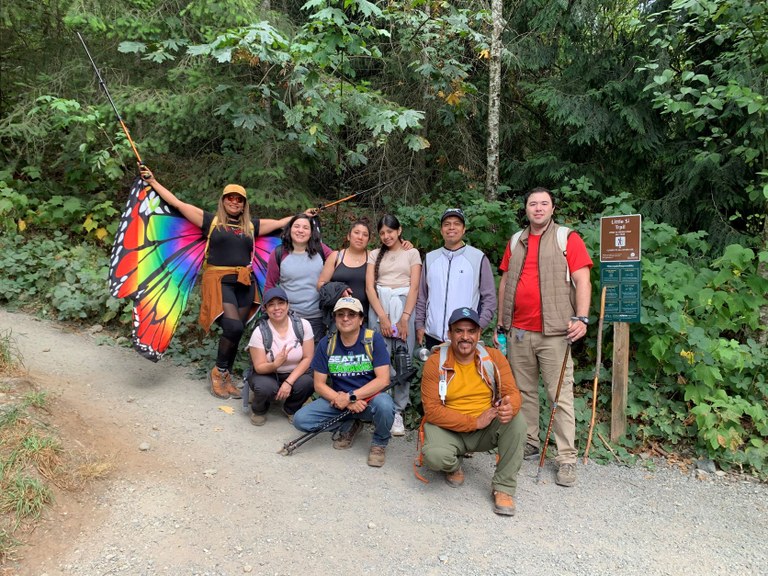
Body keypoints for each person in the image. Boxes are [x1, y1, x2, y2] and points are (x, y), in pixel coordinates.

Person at [139, 166, 315, 399]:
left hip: (244, 282)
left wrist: (304, 216)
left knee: (237, 331)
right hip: (218, 281)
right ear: (223, 201)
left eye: (239, 199)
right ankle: (218, 371)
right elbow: (179, 204)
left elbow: (284, 222)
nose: (234, 202)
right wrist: (153, 181)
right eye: (230, 198)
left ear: (243, 204)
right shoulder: (210, 222)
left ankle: (226, 375)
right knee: (232, 326)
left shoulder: (251, 226)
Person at [497, 187, 593, 487]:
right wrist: (502, 323)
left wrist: (582, 317)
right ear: (525, 209)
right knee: (523, 392)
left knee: (559, 396)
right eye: (532, 204)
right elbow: (505, 283)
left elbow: (582, 279)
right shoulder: (516, 240)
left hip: (554, 332)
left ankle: (566, 458)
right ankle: (529, 441)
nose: (538, 208)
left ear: (552, 209)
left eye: (544, 204)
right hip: (519, 331)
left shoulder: (567, 238)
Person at [420, 307, 525, 516]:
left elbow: (512, 392)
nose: (465, 337)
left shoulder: (493, 357)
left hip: (485, 428)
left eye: (471, 331)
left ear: (478, 334)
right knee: (435, 456)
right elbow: (431, 411)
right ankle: (453, 465)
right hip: (450, 429)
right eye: (459, 331)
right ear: (450, 334)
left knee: (517, 421)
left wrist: (509, 406)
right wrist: (474, 423)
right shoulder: (436, 362)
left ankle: (503, 487)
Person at [292, 297, 395, 467]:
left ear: (361, 319)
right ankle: (348, 423)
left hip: (369, 401)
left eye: (351, 314)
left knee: (385, 405)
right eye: (340, 314)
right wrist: (346, 402)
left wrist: (351, 397)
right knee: (301, 420)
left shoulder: (372, 339)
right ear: (335, 319)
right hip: (339, 402)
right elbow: (319, 384)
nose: (345, 318)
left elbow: (383, 380)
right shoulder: (327, 343)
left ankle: (379, 443)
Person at [365, 214, 422, 436]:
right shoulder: (374, 254)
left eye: (390, 231)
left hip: (404, 306)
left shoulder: (412, 253)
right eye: (382, 233)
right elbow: (370, 287)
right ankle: (383, 406)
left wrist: (404, 318)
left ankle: (398, 411)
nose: (386, 236)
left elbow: (415, 287)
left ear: (399, 231)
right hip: (379, 307)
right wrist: (383, 318)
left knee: (403, 360)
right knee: (379, 358)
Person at [415, 208, 496, 349]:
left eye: (457, 223)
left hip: (465, 337)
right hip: (432, 337)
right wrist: (419, 325)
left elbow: (489, 298)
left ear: (464, 229)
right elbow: (422, 296)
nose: (451, 227)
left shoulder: (478, 258)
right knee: (433, 372)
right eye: (447, 224)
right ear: (441, 230)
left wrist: (479, 326)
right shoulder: (430, 258)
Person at [246, 287, 315, 426]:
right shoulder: (260, 332)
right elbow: (259, 367)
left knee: (309, 382)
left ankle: (291, 408)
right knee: (264, 387)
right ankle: (259, 409)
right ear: (265, 308)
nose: (276, 308)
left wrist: (288, 383)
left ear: (288, 305)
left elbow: (308, 358)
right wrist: (275, 364)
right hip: (267, 373)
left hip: (295, 372)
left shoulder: (303, 325)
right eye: (271, 305)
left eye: (281, 303)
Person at [265, 214, 333, 342]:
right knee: (289, 357)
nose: (300, 230)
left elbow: (339, 262)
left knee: (313, 359)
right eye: (296, 226)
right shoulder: (279, 253)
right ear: (289, 229)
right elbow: (270, 285)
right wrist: (269, 312)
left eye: (305, 228)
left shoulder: (321, 250)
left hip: (317, 317)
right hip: (288, 317)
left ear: (311, 232)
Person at [317, 219, 371, 320]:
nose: (360, 237)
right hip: (339, 316)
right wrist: (339, 289)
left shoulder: (373, 257)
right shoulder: (336, 256)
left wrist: (404, 244)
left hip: (364, 317)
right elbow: (320, 284)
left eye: (365, 235)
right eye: (356, 233)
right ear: (348, 236)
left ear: (368, 240)